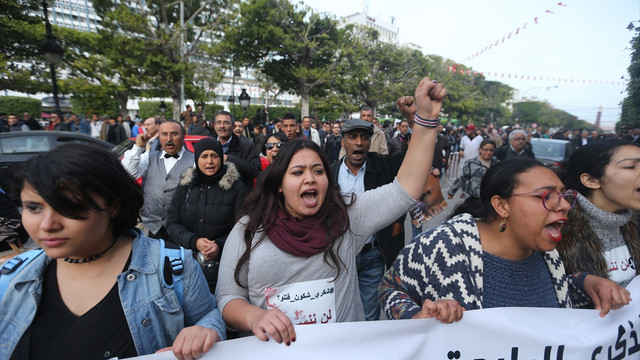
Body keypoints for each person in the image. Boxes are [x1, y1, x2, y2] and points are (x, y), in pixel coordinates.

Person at [216, 77, 446, 345]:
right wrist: (254, 317)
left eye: (318, 171)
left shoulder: (347, 215)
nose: (310, 179)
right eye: (298, 172)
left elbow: (404, 189)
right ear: (279, 184)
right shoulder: (249, 228)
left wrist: (426, 120)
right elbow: (227, 298)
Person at [0, 143, 225, 359]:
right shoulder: (12, 277)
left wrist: (206, 331)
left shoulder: (173, 267)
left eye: (70, 207)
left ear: (113, 207)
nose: (47, 224)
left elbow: (208, 316)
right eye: (34, 208)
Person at [379, 158, 632, 323]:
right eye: (546, 196)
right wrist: (418, 316)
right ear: (501, 205)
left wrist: (586, 283)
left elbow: (555, 295)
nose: (564, 205)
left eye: (563, 195)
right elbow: (390, 289)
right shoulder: (442, 244)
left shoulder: (551, 256)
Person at [329, 118, 407, 321]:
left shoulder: (383, 167)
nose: (359, 142)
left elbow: (414, 159)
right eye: (352, 137)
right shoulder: (329, 172)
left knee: (369, 314)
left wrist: (415, 117)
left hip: (372, 256)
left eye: (364, 138)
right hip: (339, 257)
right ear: (343, 142)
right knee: (338, 312)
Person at [558, 139, 640, 288]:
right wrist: (582, 285)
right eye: (630, 166)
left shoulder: (634, 221)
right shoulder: (557, 225)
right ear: (591, 180)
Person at [166, 138, 245, 293]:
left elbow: (243, 226)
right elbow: (172, 222)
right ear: (197, 158)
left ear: (221, 158)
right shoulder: (185, 184)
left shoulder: (236, 187)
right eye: (204, 156)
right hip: (187, 264)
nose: (209, 161)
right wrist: (194, 241)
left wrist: (219, 245)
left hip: (224, 265)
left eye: (214, 156)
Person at [122, 120, 194, 240]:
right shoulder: (149, 157)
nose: (169, 138)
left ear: (183, 135)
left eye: (174, 134)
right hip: (151, 226)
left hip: (182, 227)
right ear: (159, 136)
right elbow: (128, 173)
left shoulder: (194, 160)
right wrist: (138, 147)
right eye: (164, 134)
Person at [213, 111, 262, 191]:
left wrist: (230, 160)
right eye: (219, 123)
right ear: (214, 126)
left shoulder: (247, 146)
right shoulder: (209, 146)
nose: (222, 126)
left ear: (232, 126)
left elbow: (256, 171)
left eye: (226, 123)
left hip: (240, 197)